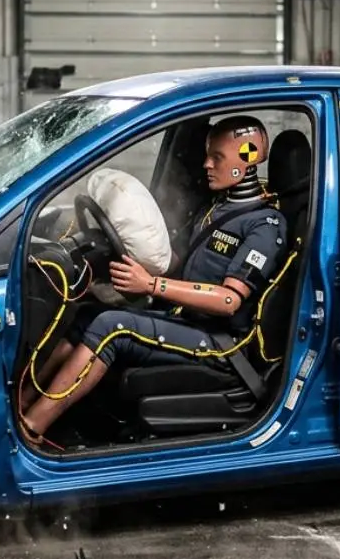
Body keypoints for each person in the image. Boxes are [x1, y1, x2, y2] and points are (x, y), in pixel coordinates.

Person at [18, 115, 289, 448]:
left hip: (222, 343)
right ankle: (21, 404)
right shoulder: (214, 210)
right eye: (207, 154)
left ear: (247, 158)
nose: (206, 164)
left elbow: (229, 300)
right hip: (185, 320)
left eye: (216, 157)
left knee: (111, 328)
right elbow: (177, 263)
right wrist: (125, 262)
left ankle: (31, 428)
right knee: (88, 313)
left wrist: (151, 286)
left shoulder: (265, 225)